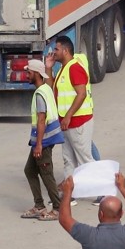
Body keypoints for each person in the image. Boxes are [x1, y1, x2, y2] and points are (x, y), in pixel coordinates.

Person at [59, 173, 125, 249]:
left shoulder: (89, 235)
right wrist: (123, 187)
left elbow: (64, 218)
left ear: (101, 214)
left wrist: (67, 193)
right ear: (122, 213)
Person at [47, 35, 95, 184]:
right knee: (68, 160)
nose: (53, 52)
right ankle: (71, 193)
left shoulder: (74, 68)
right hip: (67, 123)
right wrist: (48, 68)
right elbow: (50, 88)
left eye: (57, 49)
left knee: (85, 159)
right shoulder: (64, 68)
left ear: (66, 51)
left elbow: (81, 94)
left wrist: (68, 116)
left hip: (77, 122)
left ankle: (102, 192)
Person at [21, 59, 62, 220]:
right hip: (44, 140)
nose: (27, 75)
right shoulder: (45, 88)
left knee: (47, 173)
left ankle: (57, 208)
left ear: (37, 74)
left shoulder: (40, 94)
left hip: (43, 141)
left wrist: (38, 144)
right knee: (30, 170)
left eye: (29, 72)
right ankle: (39, 205)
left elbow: (41, 119)